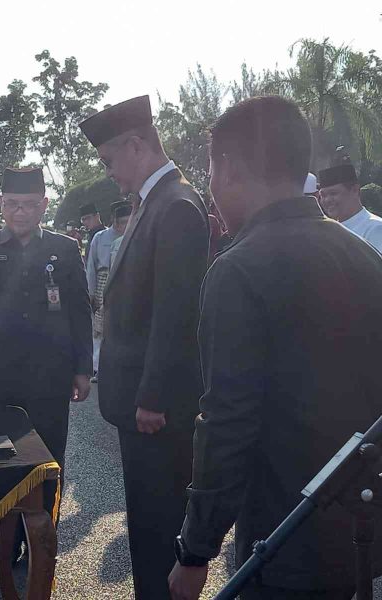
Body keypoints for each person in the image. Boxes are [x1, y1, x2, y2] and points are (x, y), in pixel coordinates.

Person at [168, 96, 382, 600]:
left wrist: (195, 552)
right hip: (358, 527)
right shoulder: (364, 257)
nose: (212, 191)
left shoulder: (237, 270)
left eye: (211, 174)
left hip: (282, 535)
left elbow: (227, 423)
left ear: (230, 169)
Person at [79, 94, 210, 599]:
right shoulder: (154, 202)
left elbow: (175, 314)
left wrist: (153, 396)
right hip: (139, 403)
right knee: (147, 523)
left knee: (158, 524)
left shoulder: (175, 204)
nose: (108, 172)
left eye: (109, 159)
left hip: (154, 408)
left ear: (136, 145)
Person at [0, 166, 92, 564]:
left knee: (49, 458)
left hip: (51, 375)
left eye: (29, 205)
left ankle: (43, 539)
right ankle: (6, 542)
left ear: (44, 205)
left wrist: (83, 368)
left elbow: (80, 312)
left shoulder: (64, 249)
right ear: (0, 205)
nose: (20, 212)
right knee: (0, 457)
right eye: (12, 204)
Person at [86, 200, 132, 382]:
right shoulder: (100, 237)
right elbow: (91, 266)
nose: (125, 226)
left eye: (129, 221)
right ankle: (97, 368)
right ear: (114, 221)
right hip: (102, 281)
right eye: (122, 222)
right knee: (99, 327)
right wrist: (90, 292)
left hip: (126, 282)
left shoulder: (135, 236)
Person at [317, 163, 382, 252]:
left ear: (355, 190)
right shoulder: (328, 230)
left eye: (333, 193)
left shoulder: (375, 228)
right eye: (323, 195)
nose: (327, 200)